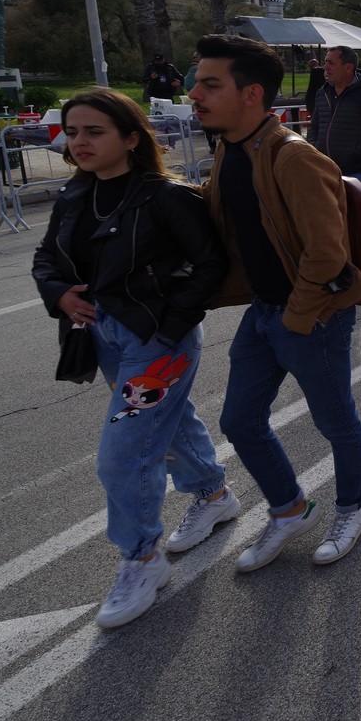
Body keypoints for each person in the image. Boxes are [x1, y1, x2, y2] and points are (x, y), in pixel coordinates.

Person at [31, 88, 231, 627]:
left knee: (122, 454)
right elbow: (47, 256)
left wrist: (168, 330)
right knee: (169, 423)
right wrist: (58, 293)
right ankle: (214, 494)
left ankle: (141, 558)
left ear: (131, 138)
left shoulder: (167, 197)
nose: (79, 142)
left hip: (158, 342)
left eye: (94, 132)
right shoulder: (76, 193)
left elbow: (210, 265)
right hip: (103, 335)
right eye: (72, 132)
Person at [189, 34, 361, 571]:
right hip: (263, 311)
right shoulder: (230, 148)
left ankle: (352, 508)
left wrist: (296, 319)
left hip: (312, 315)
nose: (195, 94)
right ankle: (290, 509)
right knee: (239, 422)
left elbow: (327, 254)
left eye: (210, 84)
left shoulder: (293, 157)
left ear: (251, 94)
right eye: (197, 83)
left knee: (335, 422)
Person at [308, 44, 361, 189]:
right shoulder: (322, 93)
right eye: (325, 62)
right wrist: (314, 148)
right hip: (324, 170)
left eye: (331, 63)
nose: (325, 67)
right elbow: (314, 125)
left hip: (356, 173)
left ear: (348, 68)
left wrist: (358, 154)